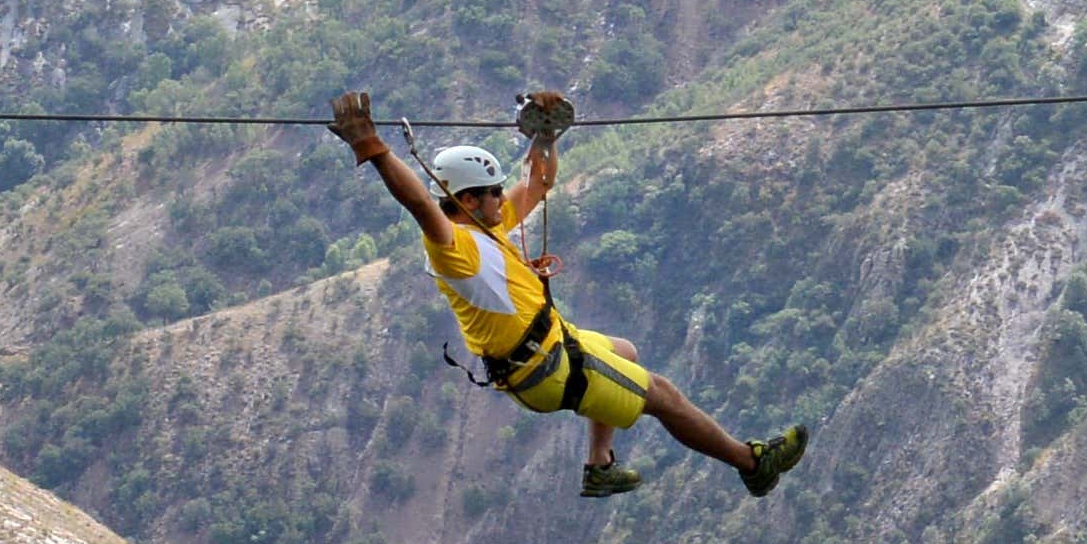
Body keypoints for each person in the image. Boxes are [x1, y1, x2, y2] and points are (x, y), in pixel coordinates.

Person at [331, 87, 808, 500]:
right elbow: (418, 202)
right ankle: (751, 463)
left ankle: (599, 467)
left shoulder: (489, 226)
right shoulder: (454, 246)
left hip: (552, 347)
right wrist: (372, 147)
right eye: (493, 191)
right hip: (545, 368)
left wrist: (545, 135)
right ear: (468, 200)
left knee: (625, 351)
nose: (503, 197)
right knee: (660, 394)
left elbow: (537, 183)